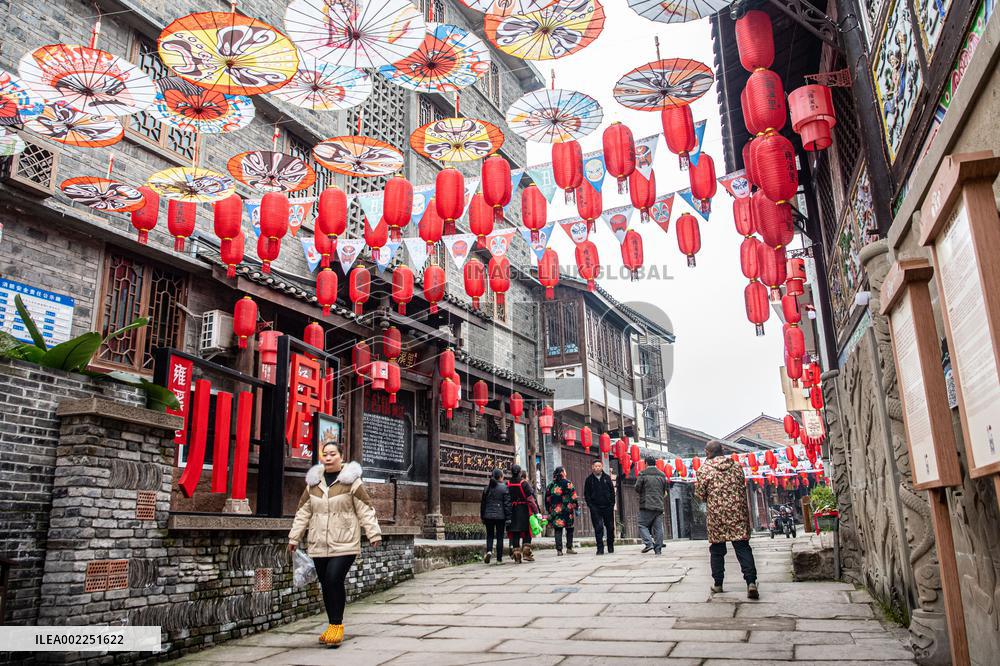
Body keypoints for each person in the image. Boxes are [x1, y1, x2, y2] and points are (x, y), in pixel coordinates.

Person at [288, 442, 381, 646]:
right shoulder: (313, 484)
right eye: (325, 454)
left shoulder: (352, 482)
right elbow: (303, 512)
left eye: (332, 454)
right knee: (325, 583)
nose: (328, 458)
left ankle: (337, 626)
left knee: (333, 579)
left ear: (341, 456)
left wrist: (373, 533)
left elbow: (365, 509)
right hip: (319, 542)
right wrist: (294, 538)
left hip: (345, 542)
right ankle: (331, 625)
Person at [694, 440, 759, 599]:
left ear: (708, 453)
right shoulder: (737, 466)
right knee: (742, 547)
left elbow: (701, 495)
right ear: (722, 451)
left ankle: (718, 584)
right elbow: (741, 488)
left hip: (717, 514)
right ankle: (750, 582)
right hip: (737, 512)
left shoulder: (704, 470)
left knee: (717, 550)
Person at [635, 455, 667, 555]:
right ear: (655, 463)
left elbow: (637, 487)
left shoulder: (643, 474)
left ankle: (649, 544)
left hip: (647, 504)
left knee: (642, 524)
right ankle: (658, 549)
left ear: (646, 463)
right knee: (658, 527)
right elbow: (665, 489)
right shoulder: (662, 474)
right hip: (659, 504)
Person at [507, 465, 539, 563]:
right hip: (524, 510)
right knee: (526, 531)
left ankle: (517, 556)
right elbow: (530, 499)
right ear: (520, 472)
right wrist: (536, 511)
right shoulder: (524, 483)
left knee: (515, 532)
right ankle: (526, 552)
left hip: (512, 510)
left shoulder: (507, 483)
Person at [583, 459, 616, 555]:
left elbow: (612, 492)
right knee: (598, 527)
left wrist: (611, 504)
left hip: (607, 507)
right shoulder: (589, 479)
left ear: (602, 467)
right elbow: (587, 494)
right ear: (592, 467)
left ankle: (610, 545)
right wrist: (591, 506)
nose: (597, 468)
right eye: (595, 466)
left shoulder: (607, 478)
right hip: (595, 508)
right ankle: (600, 548)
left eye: (599, 466)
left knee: (610, 527)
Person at [545, 466, 579, 556]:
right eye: (565, 471)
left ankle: (559, 550)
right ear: (562, 473)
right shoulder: (568, 483)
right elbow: (574, 497)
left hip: (556, 511)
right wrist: (576, 507)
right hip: (568, 510)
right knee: (570, 529)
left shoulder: (551, 485)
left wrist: (549, 510)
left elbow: (547, 499)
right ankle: (569, 548)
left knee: (558, 530)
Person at [480, 469, 511, 564]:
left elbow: (483, 504)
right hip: (500, 516)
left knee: (489, 535)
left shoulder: (487, 488)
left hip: (488, 515)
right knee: (499, 537)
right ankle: (499, 559)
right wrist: (509, 517)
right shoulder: (504, 488)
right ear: (500, 477)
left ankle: (489, 551)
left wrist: (482, 516)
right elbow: (507, 504)